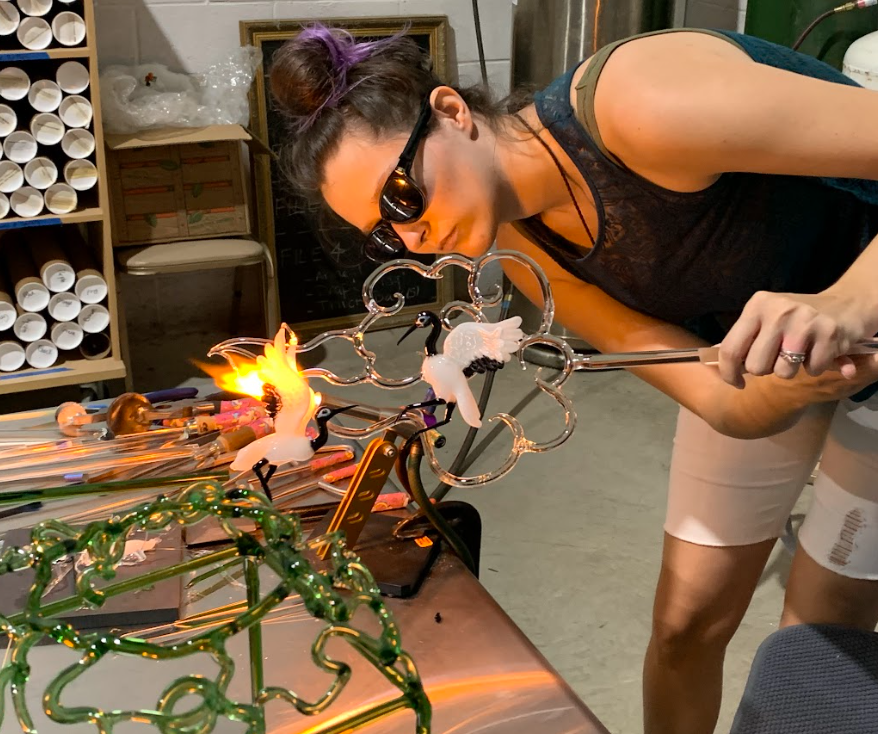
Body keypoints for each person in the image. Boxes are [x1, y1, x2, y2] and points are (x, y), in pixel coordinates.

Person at [269, 24, 878, 734]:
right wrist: (797, 388)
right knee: (685, 623)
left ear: (453, 112)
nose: (413, 240)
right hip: (784, 345)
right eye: (383, 232)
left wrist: (846, 301)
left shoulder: (639, 106)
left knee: (815, 635)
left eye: (403, 197)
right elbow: (720, 399)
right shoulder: (531, 247)